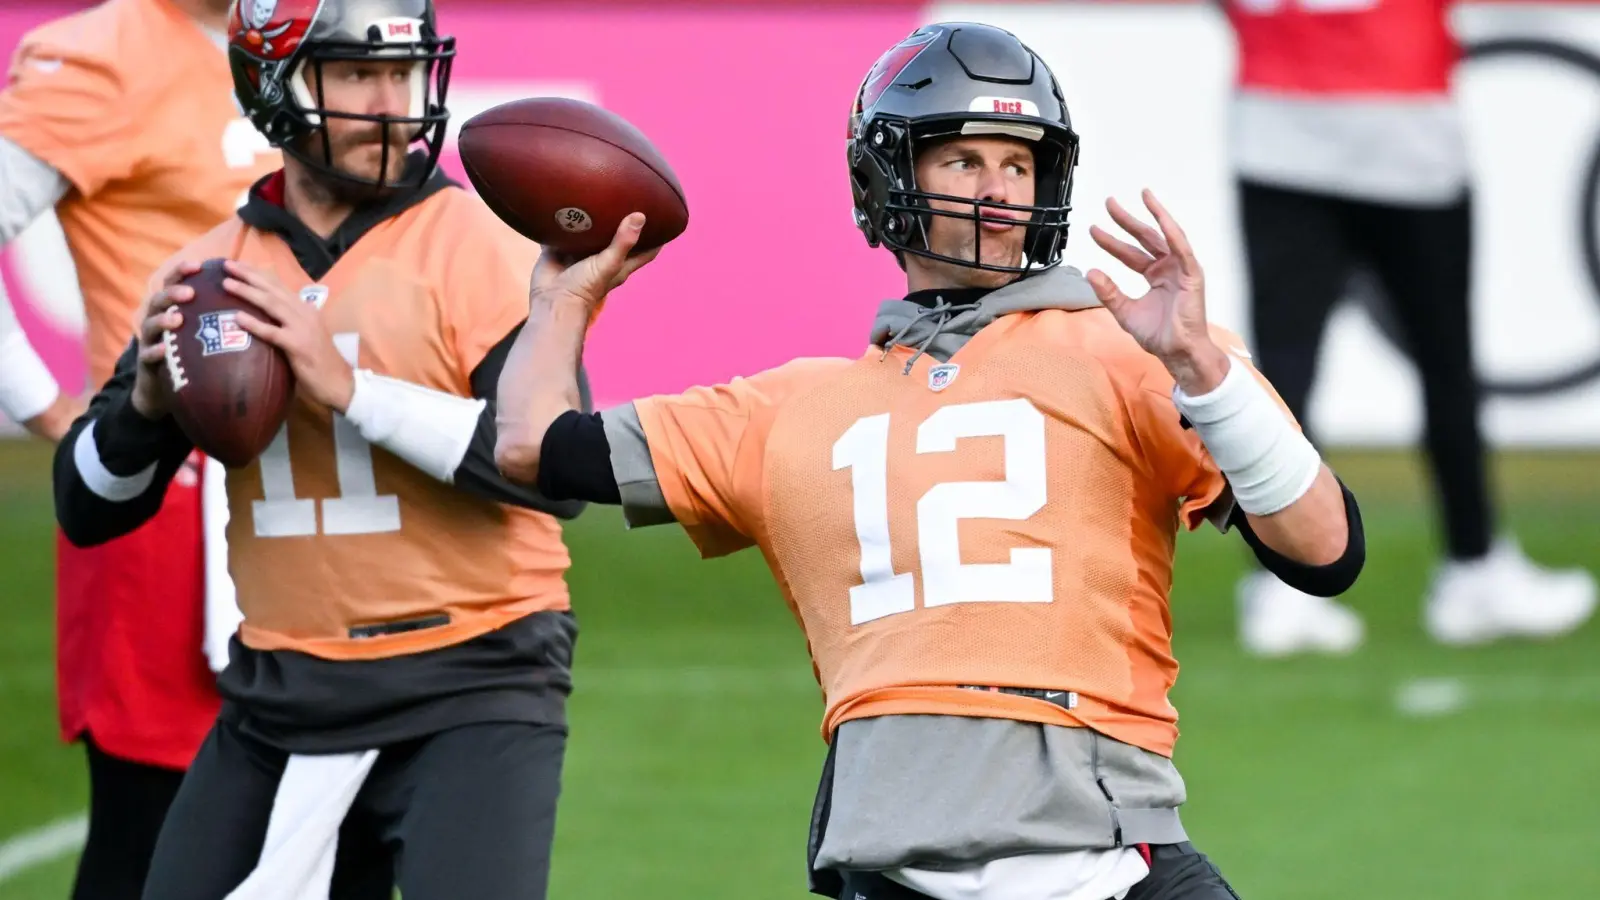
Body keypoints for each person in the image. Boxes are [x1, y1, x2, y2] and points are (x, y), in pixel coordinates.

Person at [493, 22, 1365, 900]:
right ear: (889, 179)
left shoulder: (1133, 352)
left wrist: (1204, 372)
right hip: (898, 866)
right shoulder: (791, 405)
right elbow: (533, 448)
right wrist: (563, 303)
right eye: (964, 161)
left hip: (1101, 854)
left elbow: (1327, 552)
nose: (998, 193)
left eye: (1019, 165)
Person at [51, 1, 595, 897]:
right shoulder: (210, 274)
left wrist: (353, 393)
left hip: (475, 680)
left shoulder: (480, 244)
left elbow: (556, 468)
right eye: (354, 75)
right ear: (272, 85)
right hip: (281, 693)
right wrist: (144, 407)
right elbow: (87, 506)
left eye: (402, 73)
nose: (389, 102)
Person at [0, 0, 278, 895]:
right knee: (155, 829)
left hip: (300, 489)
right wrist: (48, 409)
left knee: (311, 826)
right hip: (162, 494)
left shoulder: (293, 34)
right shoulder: (101, 55)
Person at [1222, 0, 1596, 656]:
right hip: (1394, 129)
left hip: (1290, 129)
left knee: (1292, 371)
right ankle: (1465, 566)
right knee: (1430, 365)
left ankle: (1291, 581)